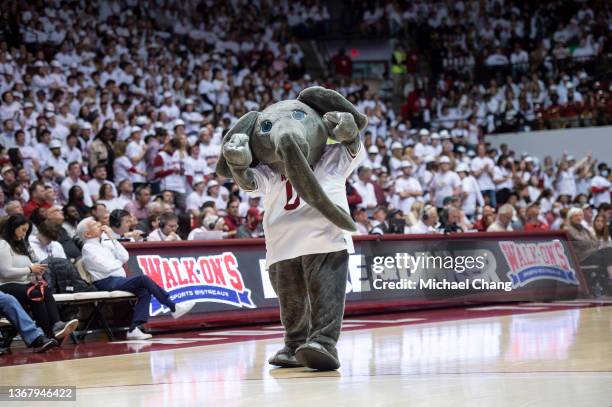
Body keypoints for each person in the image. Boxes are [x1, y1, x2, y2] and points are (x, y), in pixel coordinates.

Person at [78, 218, 194, 340]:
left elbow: (125, 256)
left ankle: (134, 329)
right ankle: (172, 306)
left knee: (144, 291)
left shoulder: (104, 243)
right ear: (88, 234)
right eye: (95, 225)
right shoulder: (88, 248)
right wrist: (118, 261)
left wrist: (112, 238)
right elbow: (106, 267)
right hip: (105, 282)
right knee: (142, 279)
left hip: (117, 280)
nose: (100, 224)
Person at [0, 215, 78, 341]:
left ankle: (56, 325)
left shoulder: (21, 245)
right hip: (5, 285)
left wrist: (36, 274)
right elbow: (5, 272)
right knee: (35, 292)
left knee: (44, 289)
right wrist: (30, 269)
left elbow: (27, 269)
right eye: (23, 230)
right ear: (13, 228)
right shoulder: (3, 244)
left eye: (27, 231)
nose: (24, 234)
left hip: (22, 283)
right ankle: (47, 334)